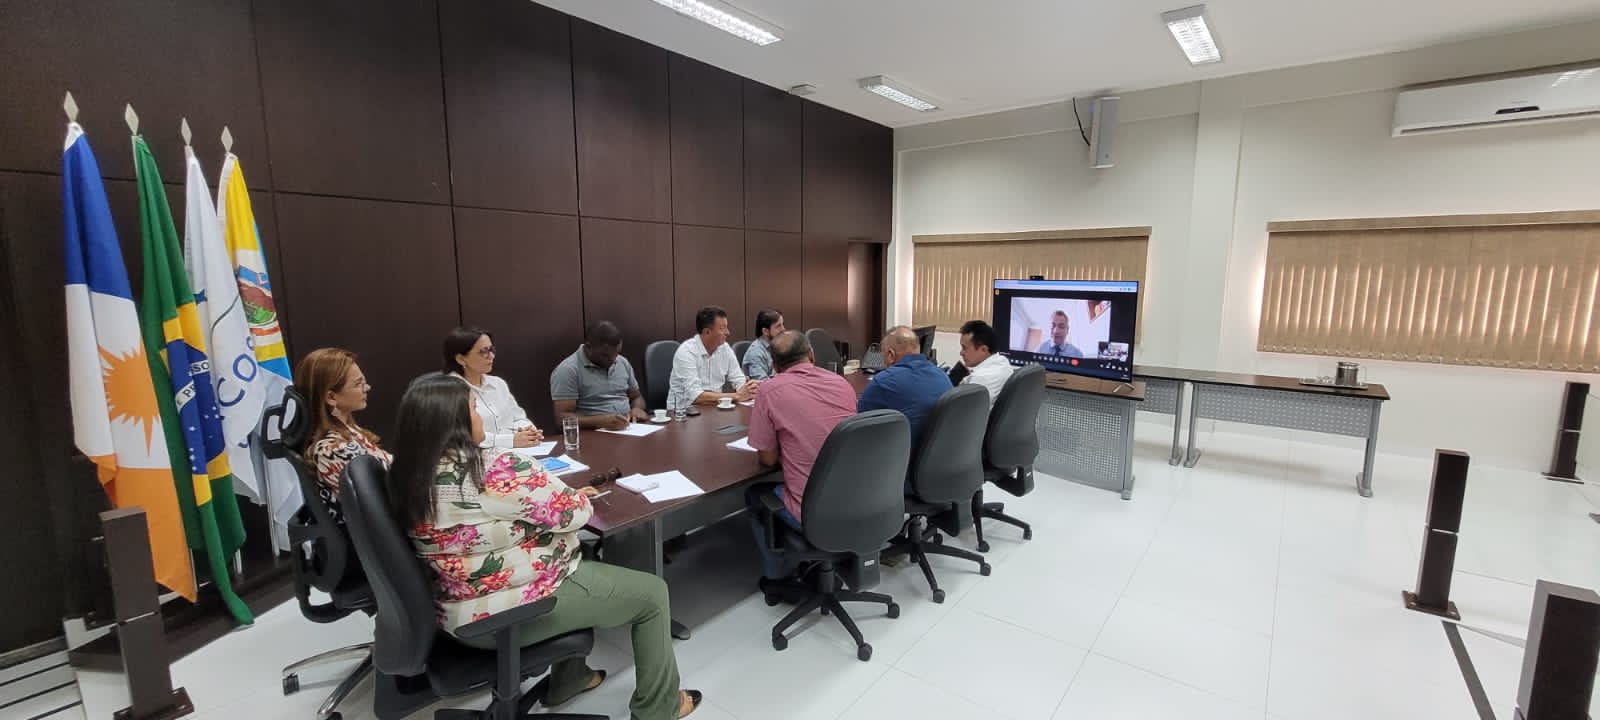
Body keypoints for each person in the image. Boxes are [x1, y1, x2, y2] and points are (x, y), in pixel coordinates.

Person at [388, 376, 703, 719]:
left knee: (578, 555)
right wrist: (567, 500)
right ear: (454, 421)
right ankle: (659, 708)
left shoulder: (405, 474)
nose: (480, 416)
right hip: (507, 614)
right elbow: (577, 513)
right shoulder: (493, 470)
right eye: (473, 409)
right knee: (652, 595)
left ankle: (571, 679)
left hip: (451, 612)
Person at [742, 330, 857, 580]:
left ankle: (779, 576)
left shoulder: (770, 390)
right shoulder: (841, 383)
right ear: (811, 355)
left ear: (774, 365)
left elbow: (767, 460)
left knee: (754, 495)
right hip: (855, 501)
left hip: (812, 513)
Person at [294, 347, 392, 520]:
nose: (366, 388)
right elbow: (378, 505)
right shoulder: (331, 450)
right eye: (358, 384)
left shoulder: (349, 431)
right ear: (331, 397)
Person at [442, 327, 544, 451]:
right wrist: (511, 440)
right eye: (484, 351)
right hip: (476, 458)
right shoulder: (449, 391)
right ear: (461, 359)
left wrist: (529, 432)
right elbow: (464, 435)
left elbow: (518, 417)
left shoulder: (498, 383)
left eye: (492, 350)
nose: (491, 356)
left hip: (517, 452)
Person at [857, 325, 952, 448]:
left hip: (900, 462)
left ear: (891, 355)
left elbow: (860, 431)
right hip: (935, 457)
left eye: (883, 356)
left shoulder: (883, 382)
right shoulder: (942, 375)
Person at [550, 321, 651, 431]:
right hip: (592, 434)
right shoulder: (568, 370)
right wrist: (600, 422)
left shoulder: (622, 362)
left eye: (616, 353)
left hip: (629, 429)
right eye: (605, 356)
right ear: (588, 347)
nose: (613, 360)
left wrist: (637, 409)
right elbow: (561, 419)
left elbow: (636, 397)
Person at [667, 306, 758, 410]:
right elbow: (696, 397)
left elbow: (738, 379)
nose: (728, 332)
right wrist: (737, 396)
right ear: (707, 332)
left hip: (715, 409)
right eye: (722, 328)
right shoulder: (686, 352)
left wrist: (748, 389)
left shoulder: (724, 348)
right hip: (684, 414)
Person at [958, 320, 1015, 408]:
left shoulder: (978, 380)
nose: (961, 353)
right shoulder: (1003, 362)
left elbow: (959, 413)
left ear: (984, 350)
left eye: (964, 348)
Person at [741, 309, 785, 381]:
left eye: (783, 324)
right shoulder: (755, 354)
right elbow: (762, 385)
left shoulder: (778, 345)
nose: (783, 329)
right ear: (765, 331)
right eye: (778, 326)